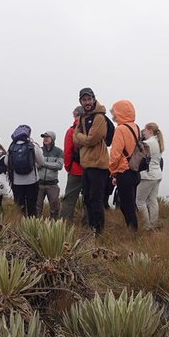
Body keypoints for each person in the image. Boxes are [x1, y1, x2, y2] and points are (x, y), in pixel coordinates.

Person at [72, 87, 111, 234]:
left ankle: (98, 231)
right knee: (87, 198)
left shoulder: (99, 117)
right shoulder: (82, 117)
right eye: (84, 100)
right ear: (80, 101)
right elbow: (75, 140)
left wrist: (82, 138)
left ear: (94, 99)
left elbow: (92, 139)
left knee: (96, 199)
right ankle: (91, 227)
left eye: (89, 99)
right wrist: (83, 138)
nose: (87, 102)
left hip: (98, 165)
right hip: (86, 165)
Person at [108, 100, 141, 231]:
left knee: (126, 206)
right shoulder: (136, 127)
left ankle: (133, 233)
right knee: (130, 204)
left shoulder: (120, 129)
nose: (113, 116)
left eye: (115, 112)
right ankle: (133, 230)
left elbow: (115, 154)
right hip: (135, 171)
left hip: (124, 172)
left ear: (120, 112)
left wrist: (112, 170)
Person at [7, 124, 46, 216]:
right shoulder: (33, 146)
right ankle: (31, 226)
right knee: (32, 205)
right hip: (32, 181)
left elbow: (6, 162)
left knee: (19, 206)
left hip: (16, 181)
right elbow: (42, 162)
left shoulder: (12, 147)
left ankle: (19, 224)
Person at [135, 122, 165, 230]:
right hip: (157, 175)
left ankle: (146, 227)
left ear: (150, 131)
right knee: (152, 200)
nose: (144, 132)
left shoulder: (147, 143)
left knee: (140, 201)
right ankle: (153, 224)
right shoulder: (158, 142)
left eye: (145, 130)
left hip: (147, 175)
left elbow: (138, 157)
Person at [59, 106, 85, 221]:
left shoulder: (71, 131)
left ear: (75, 115)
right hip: (90, 170)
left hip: (76, 170)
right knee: (89, 199)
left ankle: (64, 225)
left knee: (69, 200)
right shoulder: (92, 130)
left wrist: (68, 167)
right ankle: (89, 226)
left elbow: (68, 152)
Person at [35, 131, 64, 218]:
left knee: (55, 208)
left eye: (48, 137)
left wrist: (43, 163)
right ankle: (36, 225)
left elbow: (59, 165)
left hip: (52, 184)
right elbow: (34, 163)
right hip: (39, 183)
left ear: (53, 139)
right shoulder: (39, 150)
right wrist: (36, 165)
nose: (45, 139)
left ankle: (53, 226)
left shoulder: (59, 151)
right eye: (44, 137)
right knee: (37, 208)